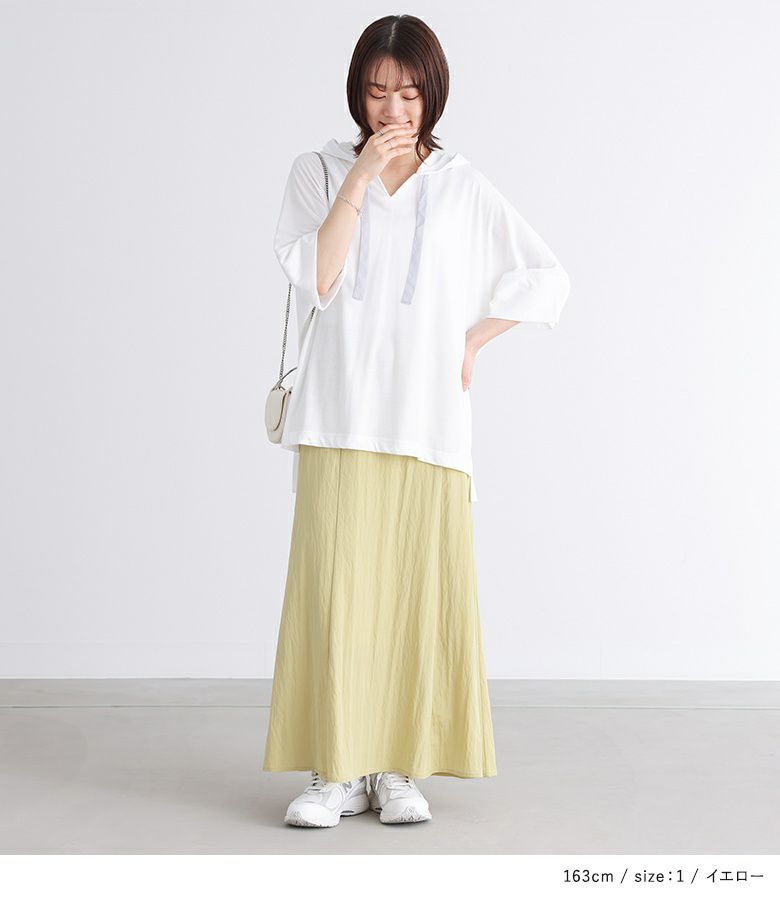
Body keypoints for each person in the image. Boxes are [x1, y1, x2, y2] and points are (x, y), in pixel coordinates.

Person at [262, 13, 570, 827]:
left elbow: (546, 275)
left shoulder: (461, 184)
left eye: (408, 93)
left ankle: (396, 768)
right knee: (335, 596)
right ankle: (335, 770)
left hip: (428, 421)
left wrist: (473, 338)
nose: (393, 110)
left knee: (412, 597)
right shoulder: (317, 171)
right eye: (377, 92)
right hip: (337, 416)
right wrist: (361, 178)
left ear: (433, 94)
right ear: (356, 94)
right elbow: (318, 280)